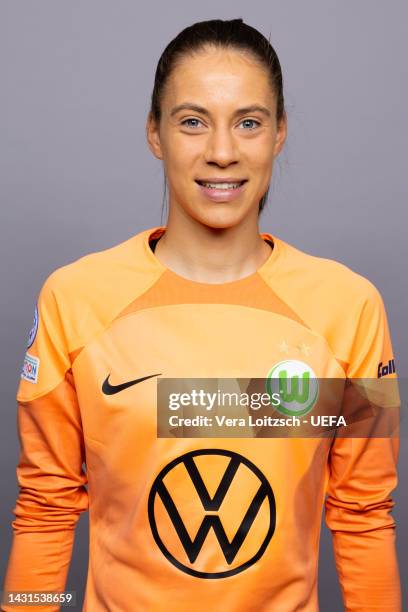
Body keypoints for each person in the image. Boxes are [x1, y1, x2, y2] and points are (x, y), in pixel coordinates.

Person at [2, 18, 401, 612]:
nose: (221, 152)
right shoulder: (75, 298)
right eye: (193, 121)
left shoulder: (351, 307)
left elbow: (364, 514)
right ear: (154, 133)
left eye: (248, 122)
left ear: (279, 134)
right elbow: (46, 508)